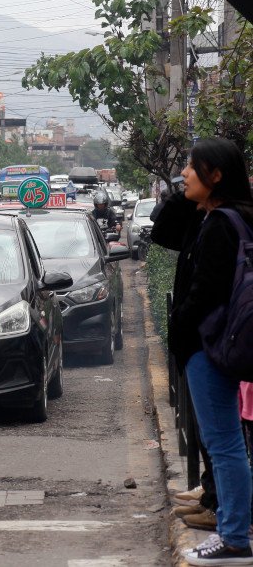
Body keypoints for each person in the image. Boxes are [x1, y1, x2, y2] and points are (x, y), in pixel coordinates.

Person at [151, 138, 253, 565]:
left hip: (208, 344)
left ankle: (233, 538)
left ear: (215, 176)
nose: (184, 175)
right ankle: (233, 529)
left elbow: (204, 292)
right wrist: (185, 194)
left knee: (224, 443)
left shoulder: (220, 225)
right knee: (227, 442)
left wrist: (179, 330)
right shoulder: (229, 217)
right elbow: (165, 229)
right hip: (224, 342)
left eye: (193, 168)